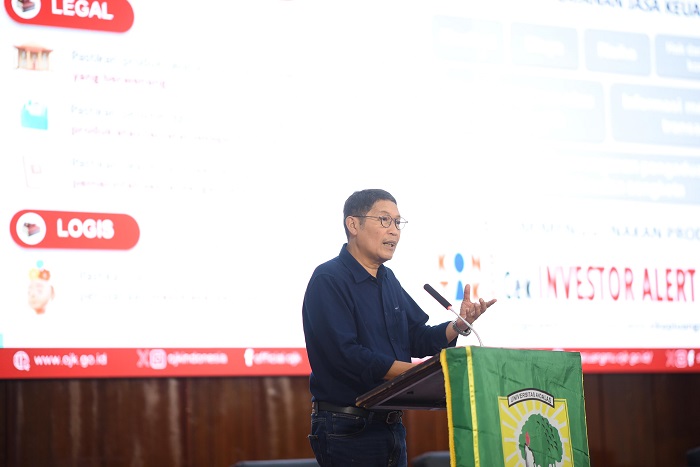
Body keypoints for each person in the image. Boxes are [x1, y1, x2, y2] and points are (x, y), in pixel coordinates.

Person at [302, 188, 497, 466]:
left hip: (390, 424)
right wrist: (415, 374)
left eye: (397, 222)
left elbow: (416, 337)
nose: (394, 230)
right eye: (384, 220)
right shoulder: (329, 279)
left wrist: (458, 325)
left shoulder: (388, 279)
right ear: (353, 224)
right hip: (346, 425)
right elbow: (345, 355)